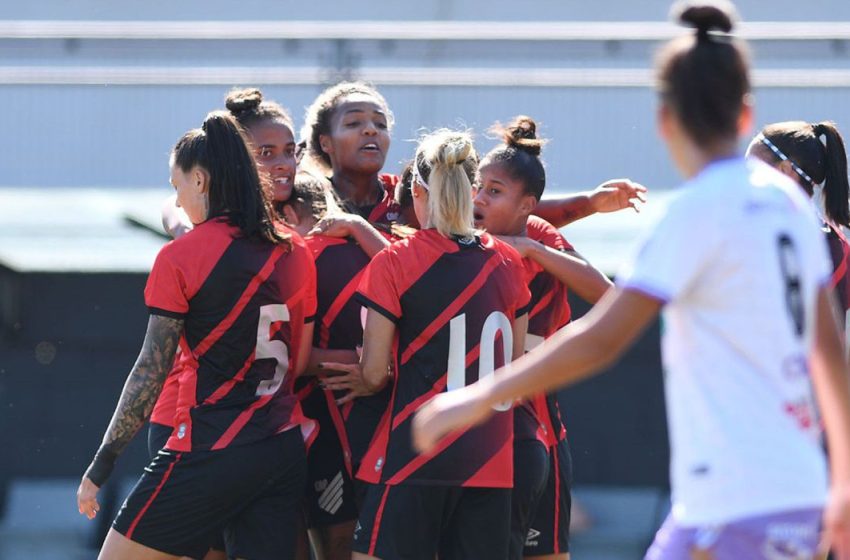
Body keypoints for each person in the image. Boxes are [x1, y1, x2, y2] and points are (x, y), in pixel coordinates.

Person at [413, 2, 850, 559]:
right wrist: (841, 483)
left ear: (664, 119)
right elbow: (828, 348)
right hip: (796, 488)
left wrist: (477, 398)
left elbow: (602, 336)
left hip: (735, 501)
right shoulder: (788, 205)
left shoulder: (694, 212)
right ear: (745, 114)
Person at [76, 111, 317, 560]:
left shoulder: (181, 257)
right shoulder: (296, 250)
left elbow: (150, 370)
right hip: (280, 447)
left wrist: (102, 463)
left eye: (177, 186)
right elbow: (299, 362)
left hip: (211, 445)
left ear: (201, 182)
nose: (178, 198)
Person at [320, 129, 531, 559]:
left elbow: (375, 373)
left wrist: (368, 374)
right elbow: (515, 366)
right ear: (472, 190)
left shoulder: (396, 260)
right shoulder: (509, 262)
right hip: (492, 460)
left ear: (416, 190)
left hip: (420, 454)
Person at [473, 115, 613, 560]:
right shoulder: (454, 237)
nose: (478, 198)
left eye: (494, 192)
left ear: (526, 205)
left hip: (535, 421)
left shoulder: (537, 237)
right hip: (471, 420)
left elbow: (608, 296)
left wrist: (534, 249)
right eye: (477, 186)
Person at [281, 172, 390, 560]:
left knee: (335, 543)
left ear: (290, 214)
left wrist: (367, 364)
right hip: (396, 422)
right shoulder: (387, 248)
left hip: (327, 421)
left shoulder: (297, 258)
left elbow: (291, 360)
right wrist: (379, 365)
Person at [747, 121, 850, 319]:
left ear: (785, 171)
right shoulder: (834, 243)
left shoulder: (827, 246)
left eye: (750, 170)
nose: (743, 179)